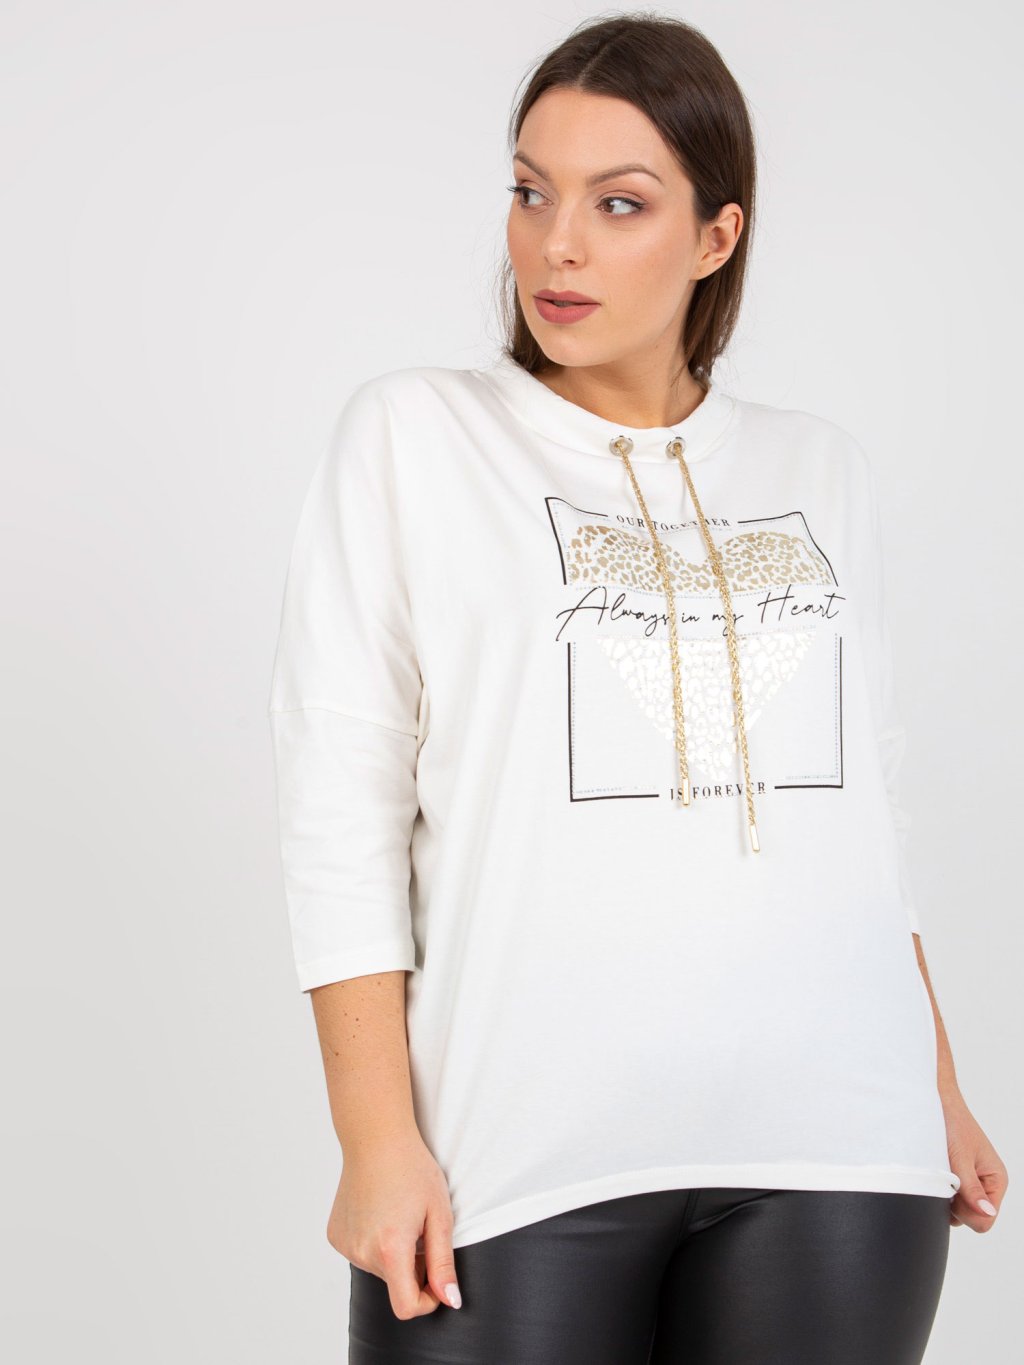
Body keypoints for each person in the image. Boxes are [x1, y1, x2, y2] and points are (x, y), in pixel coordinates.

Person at [267, 14, 1007, 1363]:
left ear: (717, 236)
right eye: (531, 191)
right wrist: (375, 1140)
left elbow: (863, 820)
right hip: (516, 1155)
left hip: (841, 1144)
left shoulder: (821, 469)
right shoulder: (418, 437)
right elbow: (341, 810)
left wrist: (935, 1088)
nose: (558, 244)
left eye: (619, 204)